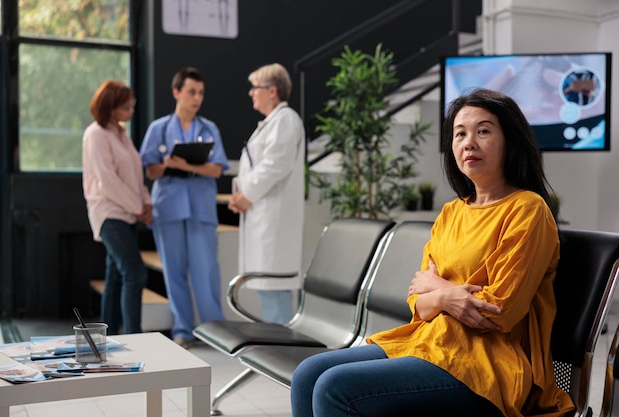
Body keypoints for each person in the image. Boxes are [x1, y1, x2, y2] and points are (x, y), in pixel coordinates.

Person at [291, 88, 575, 417]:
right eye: (460, 133)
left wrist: (438, 289)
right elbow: (417, 302)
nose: (469, 142)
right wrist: (444, 298)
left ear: (510, 140)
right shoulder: (451, 213)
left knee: (334, 388)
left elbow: (500, 310)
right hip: (430, 343)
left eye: (483, 131)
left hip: (487, 364)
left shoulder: (527, 209)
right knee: (308, 375)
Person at [139, 67, 229, 348]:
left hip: (200, 209)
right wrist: (169, 165)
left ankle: (216, 331)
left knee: (206, 271)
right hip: (168, 209)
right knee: (174, 272)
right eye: (192, 92)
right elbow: (150, 170)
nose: (197, 98)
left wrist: (187, 165)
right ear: (176, 92)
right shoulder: (159, 129)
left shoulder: (209, 128)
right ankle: (182, 330)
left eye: (201, 93)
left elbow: (217, 171)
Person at [228, 63, 305, 325]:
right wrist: (240, 194)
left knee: (275, 296)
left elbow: (275, 165)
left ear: (272, 91)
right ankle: (278, 356)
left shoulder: (286, 120)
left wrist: (245, 195)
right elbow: (258, 166)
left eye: (255, 88)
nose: (251, 93)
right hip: (264, 219)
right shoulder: (272, 123)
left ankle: (284, 359)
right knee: (269, 294)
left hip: (274, 226)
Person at [82, 80, 152, 335]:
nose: (131, 111)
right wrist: (138, 206)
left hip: (129, 213)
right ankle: (136, 337)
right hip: (109, 213)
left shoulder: (121, 134)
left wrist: (146, 202)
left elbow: (135, 175)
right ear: (109, 108)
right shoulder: (95, 134)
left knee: (114, 279)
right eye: (126, 107)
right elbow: (107, 181)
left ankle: (105, 339)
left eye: (131, 106)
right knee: (135, 273)